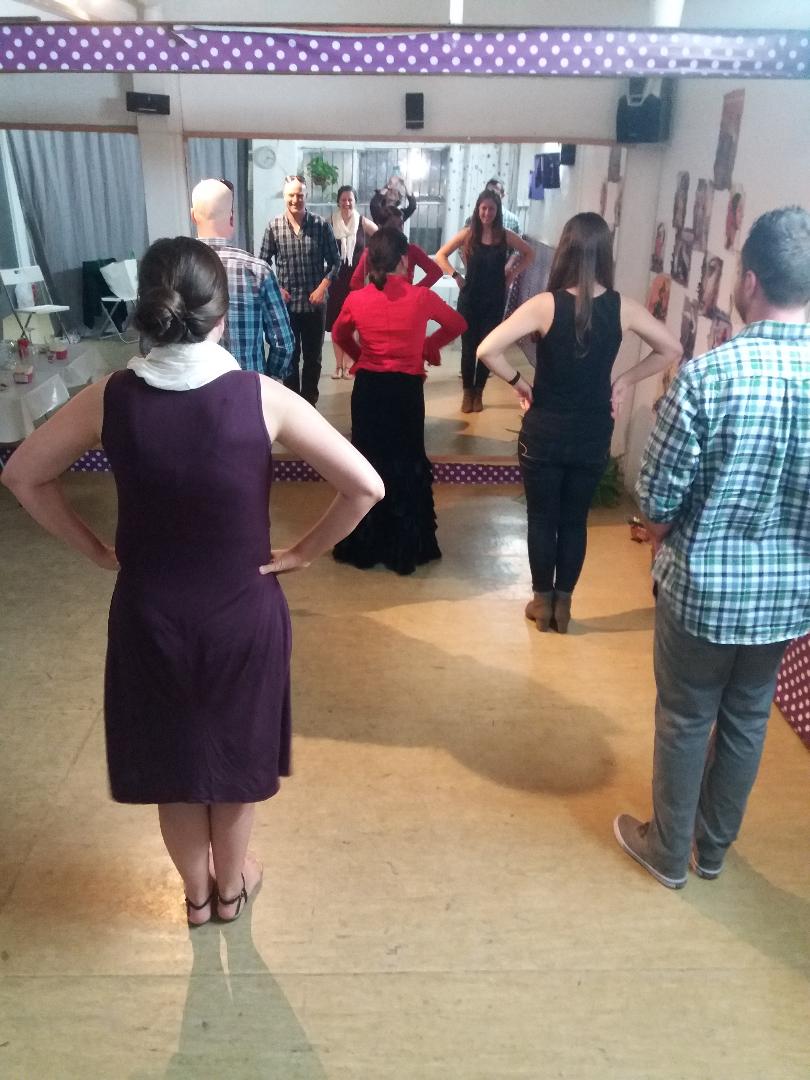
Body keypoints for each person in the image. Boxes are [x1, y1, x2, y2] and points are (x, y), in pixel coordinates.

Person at [1, 236, 384, 926]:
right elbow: (366, 486)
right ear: (221, 315)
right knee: (233, 766)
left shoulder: (109, 397)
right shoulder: (261, 397)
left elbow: (23, 475)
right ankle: (232, 890)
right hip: (243, 615)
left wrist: (94, 548)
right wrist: (302, 551)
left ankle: (197, 897)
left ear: (147, 310)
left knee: (173, 772)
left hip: (148, 614)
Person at [614, 207, 810, 889]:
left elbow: (656, 501)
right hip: (786, 598)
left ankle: (668, 853)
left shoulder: (706, 378)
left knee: (686, 717)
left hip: (702, 591)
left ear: (749, 281)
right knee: (749, 717)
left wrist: (662, 539)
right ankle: (714, 851)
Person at [477, 212, 682, 633]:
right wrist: (624, 381)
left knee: (541, 519)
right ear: (605, 254)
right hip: (592, 432)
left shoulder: (545, 305)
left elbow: (486, 349)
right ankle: (564, 606)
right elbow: (671, 348)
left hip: (544, 430)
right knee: (573, 520)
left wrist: (520, 383)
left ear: (565, 251)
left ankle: (542, 603)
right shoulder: (622, 307)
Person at [331, 228, 466, 575]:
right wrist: (429, 346)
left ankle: (366, 542)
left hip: (369, 391)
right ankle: (405, 546)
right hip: (406, 392)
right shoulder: (421, 297)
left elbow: (340, 333)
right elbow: (457, 324)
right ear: (405, 259)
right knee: (406, 462)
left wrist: (362, 357)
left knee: (367, 462)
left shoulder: (357, 299)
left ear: (370, 260)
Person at [436, 189, 534, 413]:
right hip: (469, 298)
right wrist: (455, 276)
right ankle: (467, 393)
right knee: (468, 349)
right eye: (483, 208)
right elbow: (441, 255)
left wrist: (512, 275)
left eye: (491, 209)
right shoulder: (468, 234)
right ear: (477, 209)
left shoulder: (505, 235)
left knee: (487, 348)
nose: (487, 213)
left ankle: (479, 391)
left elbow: (530, 254)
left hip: (494, 299)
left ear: (497, 211)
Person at [191, 178, 294, 377]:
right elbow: (284, 343)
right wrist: (268, 379)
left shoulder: (174, 269)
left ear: (193, 216)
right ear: (232, 218)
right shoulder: (257, 270)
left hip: (193, 387)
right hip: (247, 386)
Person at [259, 175, 341, 406]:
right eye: (291, 195)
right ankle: (293, 404)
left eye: (300, 195)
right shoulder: (274, 227)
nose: (295, 200)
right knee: (290, 356)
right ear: (285, 196)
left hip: (315, 305)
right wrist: (277, 288)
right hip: (287, 307)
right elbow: (262, 263)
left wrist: (322, 287)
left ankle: (310, 403)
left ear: (307, 196)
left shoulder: (321, 226)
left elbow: (335, 262)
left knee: (314, 358)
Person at [325, 185, 377, 379]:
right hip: (335, 280)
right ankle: (338, 366)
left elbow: (382, 239)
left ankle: (348, 365)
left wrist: (373, 262)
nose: (347, 203)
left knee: (353, 324)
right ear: (338, 201)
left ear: (355, 202)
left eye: (350, 199)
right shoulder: (329, 222)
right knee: (336, 324)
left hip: (357, 283)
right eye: (343, 199)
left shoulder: (363, 223)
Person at [350, 205, 442, 291]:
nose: (399, 228)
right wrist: (369, 295)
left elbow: (436, 272)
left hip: (405, 299)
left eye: (401, 224)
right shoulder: (371, 251)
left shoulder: (411, 250)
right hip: (379, 299)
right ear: (381, 227)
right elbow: (355, 281)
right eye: (393, 225)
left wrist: (415, 290)